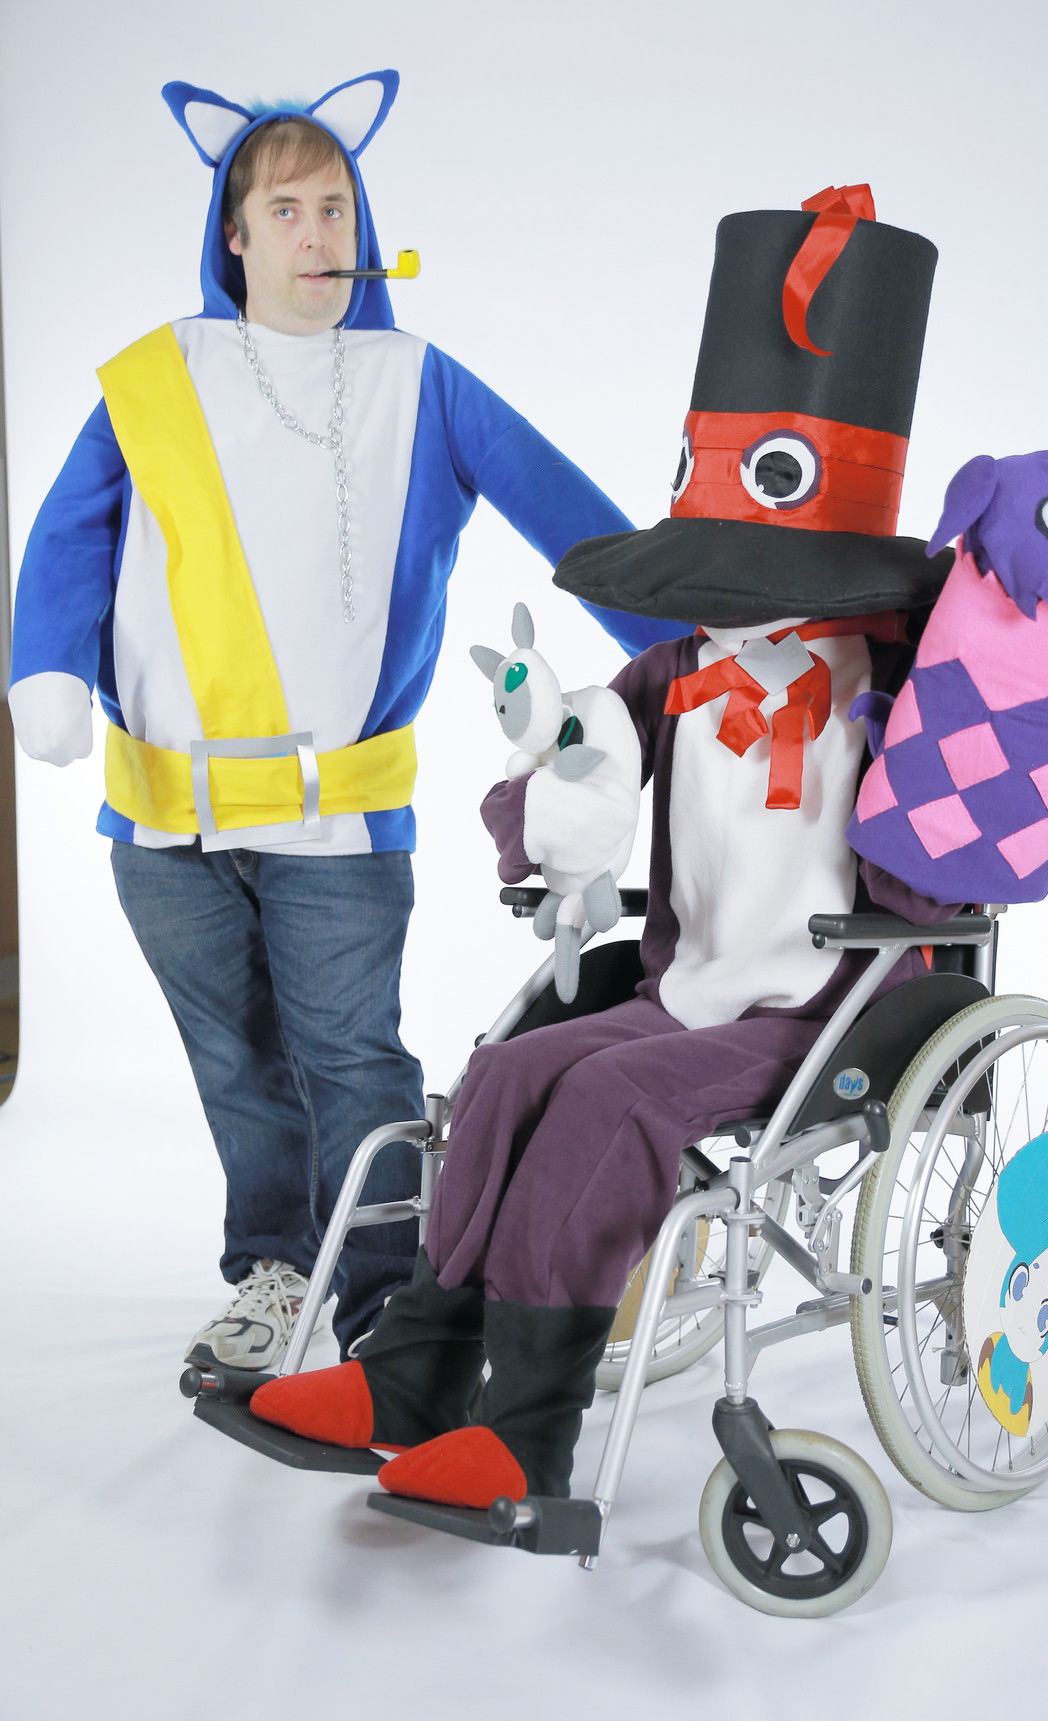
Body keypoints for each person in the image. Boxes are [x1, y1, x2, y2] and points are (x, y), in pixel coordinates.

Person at [246, 193, 961, 1512]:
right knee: (512, 1071)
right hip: (684, 982)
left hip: (830, 1006)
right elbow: (570, 775)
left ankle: (528, 1430)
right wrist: (545, 813)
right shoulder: (680, 669)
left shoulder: (903, 682)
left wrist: (926, 756)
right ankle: (410, 1373)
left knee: (608, 1101)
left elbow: (938, 868)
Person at [7, 71, 682, 1371]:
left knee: (352, 1063)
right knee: (235, 1067)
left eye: (337, 209)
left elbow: (569, 516)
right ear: (235, 236)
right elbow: (69, 536)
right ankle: (272, 1273)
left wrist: (690, 646)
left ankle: (383, 1308)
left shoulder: (417, 382)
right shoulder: (153, 380)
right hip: (162, 824)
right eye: (287, 211)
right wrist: (44, 669)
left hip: (338, 820)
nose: (319, 235)